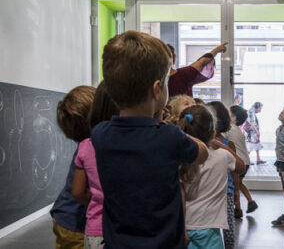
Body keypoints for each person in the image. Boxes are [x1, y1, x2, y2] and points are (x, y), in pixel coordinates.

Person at [90, 31, 209, 248]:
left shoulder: (100, 134)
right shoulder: (170, 136)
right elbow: (202, 153)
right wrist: (173, 126)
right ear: (157, 90)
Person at [177, 104, 237, 249]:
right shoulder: (223, 156)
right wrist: (219, 143)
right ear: (213, 133)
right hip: (210, 228)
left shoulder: (178, 158)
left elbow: (181, 193)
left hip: (184, 226)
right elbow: (240, 167)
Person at [70, 81, 119, 249]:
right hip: (126, 229)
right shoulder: (134, 144)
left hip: (96, 230)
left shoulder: (86, 145)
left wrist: (98, 199)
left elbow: (77, 191)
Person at [51, 85, 96, 249]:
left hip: (65, 216)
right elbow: (78, 192)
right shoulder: (90, 147)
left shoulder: (86, 145)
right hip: (74, 223)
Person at [208, 101, 245, 249]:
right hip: (224, 191)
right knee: (227, 227)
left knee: (223, 226)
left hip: (223, 191)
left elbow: (235, 169)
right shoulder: (223, 143)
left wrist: (236, 190)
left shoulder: (226, 144)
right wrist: (236, 190)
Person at [228, 105, 258, 218]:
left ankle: (238, 209)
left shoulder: (229, 128)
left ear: (234, 118)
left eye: (229, 113)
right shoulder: (237, 130)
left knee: (235, 185)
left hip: (238, 162)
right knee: (239, 183)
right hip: (245, 161)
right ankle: (250, 202)